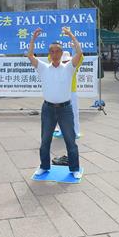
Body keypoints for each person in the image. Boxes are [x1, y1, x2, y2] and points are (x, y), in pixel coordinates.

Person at [28, 27, 83, 179]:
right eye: (51, 51)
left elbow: (78, 53)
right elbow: (30, 55)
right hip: (48, 109)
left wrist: (71, 35)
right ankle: (44, 166)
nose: (54, 54)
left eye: (57, 51)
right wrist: (33, 39)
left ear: (61, 53)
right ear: (49, 54)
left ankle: (74, 168)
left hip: (65, 109)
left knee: (70, 140)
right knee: (45, 140)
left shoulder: (69, 68)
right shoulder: (43, 68)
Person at [53, 50, 83, 139]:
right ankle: (62, 132)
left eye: (67, 60)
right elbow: (50, 57)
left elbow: (80, 57)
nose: (65, 62)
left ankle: (75, 132)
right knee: (60, 113)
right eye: (63, 60)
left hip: (71, 92)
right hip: (61, 92)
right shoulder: (58, 67)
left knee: (74, 112)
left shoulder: (74, 66)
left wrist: (74, 48)